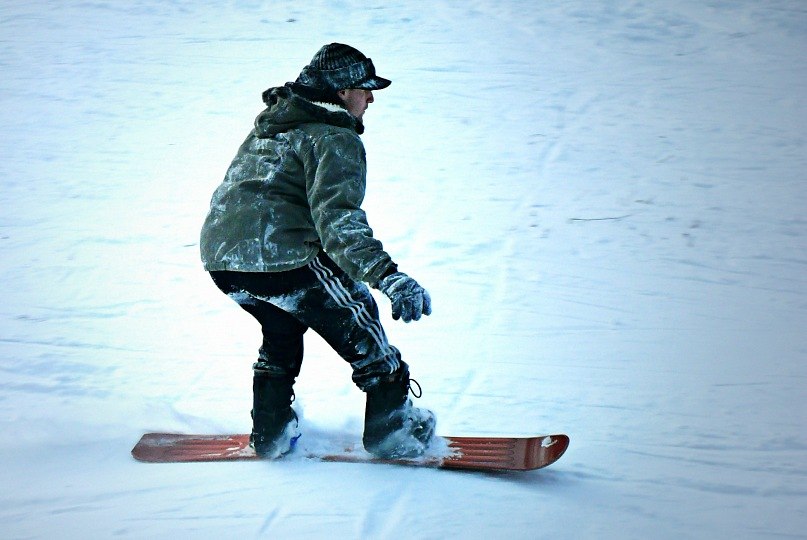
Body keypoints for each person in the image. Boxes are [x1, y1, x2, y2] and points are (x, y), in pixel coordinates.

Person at [200, 43, 435, 459]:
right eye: (366, 88)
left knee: (282, 332)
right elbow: (338, 222)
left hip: (224, 261)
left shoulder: (272, 128)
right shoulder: (334, 137)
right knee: (361, 325)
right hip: (280, 259)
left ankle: (270, 433)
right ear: (343, 92)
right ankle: (392, 433)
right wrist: (388, 276)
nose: (372, 98)